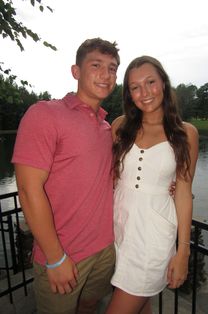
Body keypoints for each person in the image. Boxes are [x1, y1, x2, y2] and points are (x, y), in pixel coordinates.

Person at [12, 38, 120, 314]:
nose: (106, 75)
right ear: (76, 71)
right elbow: (27, 189)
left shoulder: (106, 127)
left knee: (89, 306)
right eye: (96, 65)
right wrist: (55, 257)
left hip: (106, 249)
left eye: (112, 68)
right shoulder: (45, 114)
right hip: (64, 252)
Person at [105, 56, 199, 314]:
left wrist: (183, 253)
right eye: (135, 87)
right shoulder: (120, 126)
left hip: (153, 237)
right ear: (129, 94)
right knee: (141, 302)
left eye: (150, 82)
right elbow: (110, 177)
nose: (144, 92)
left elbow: (183, 193)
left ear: (164, 84)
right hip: (120, 229)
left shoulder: (185, 133)